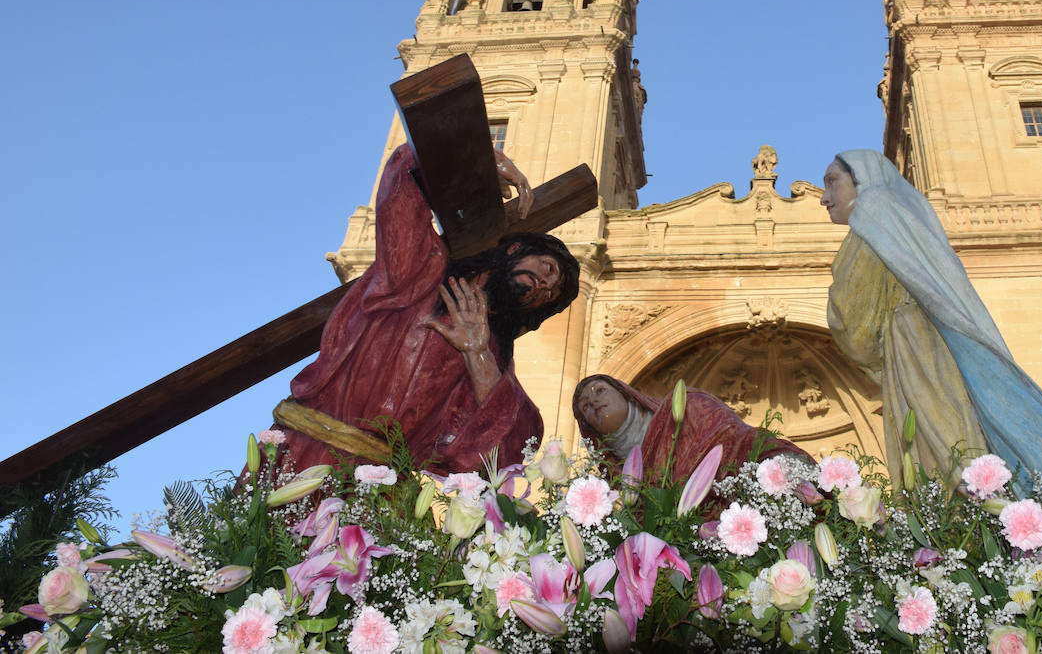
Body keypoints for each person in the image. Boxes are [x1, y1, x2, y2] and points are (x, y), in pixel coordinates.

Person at [820, 150, 1042, 505]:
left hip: (916, 346)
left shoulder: (875, 209)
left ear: (861, 180)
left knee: (943, 444)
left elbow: (852, 315)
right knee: (939, 442)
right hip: (918, 344)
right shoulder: (893, 213)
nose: (824, 197)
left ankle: (970, 519)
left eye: (833, 182)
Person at [276, 142, 580, 474]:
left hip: (382, 483)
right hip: (305, 451)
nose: (546, 286)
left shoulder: (491, 350)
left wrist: (477, 357)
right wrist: (479, 158)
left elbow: (511, 448)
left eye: (550, 295)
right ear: (516, 249)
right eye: (548, 270)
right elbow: (401, 189)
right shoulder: (421, 269)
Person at [572, 375, 811, 486]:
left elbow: (742, 441)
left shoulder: (690, 406)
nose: (592, 402)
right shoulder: (617, 484)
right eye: (585, 406)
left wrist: (784, 465)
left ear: (624, 392)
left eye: (599, 390)